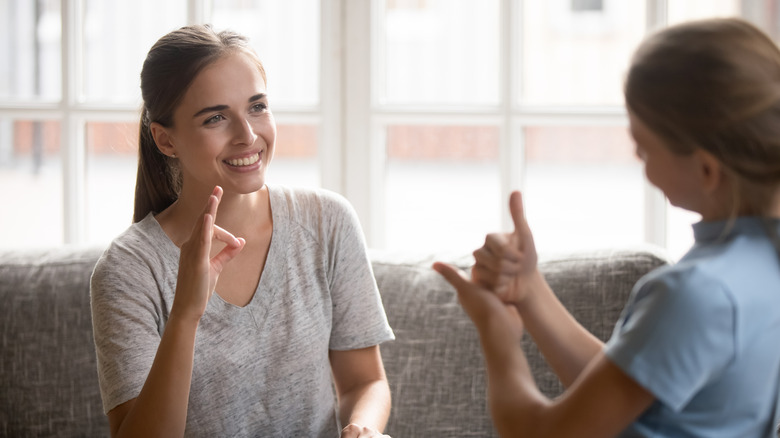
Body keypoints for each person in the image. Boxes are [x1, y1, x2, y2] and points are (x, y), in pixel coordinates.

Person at [434, 17, 780, 437]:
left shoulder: (698, 293)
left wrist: (496, 333)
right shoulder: (755, 264)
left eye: (643, 149)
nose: (641, 165)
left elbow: (542, 434)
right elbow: (626, 390)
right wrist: (529, 290)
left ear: (707, 169)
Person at [90, 24, 395, 438]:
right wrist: (185, 314)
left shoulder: (328, 221)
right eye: (215, 117)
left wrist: (363, 428)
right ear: (165, 140)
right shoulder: (130, 269)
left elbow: (365, 382)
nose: (248, 135)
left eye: (257, 107)